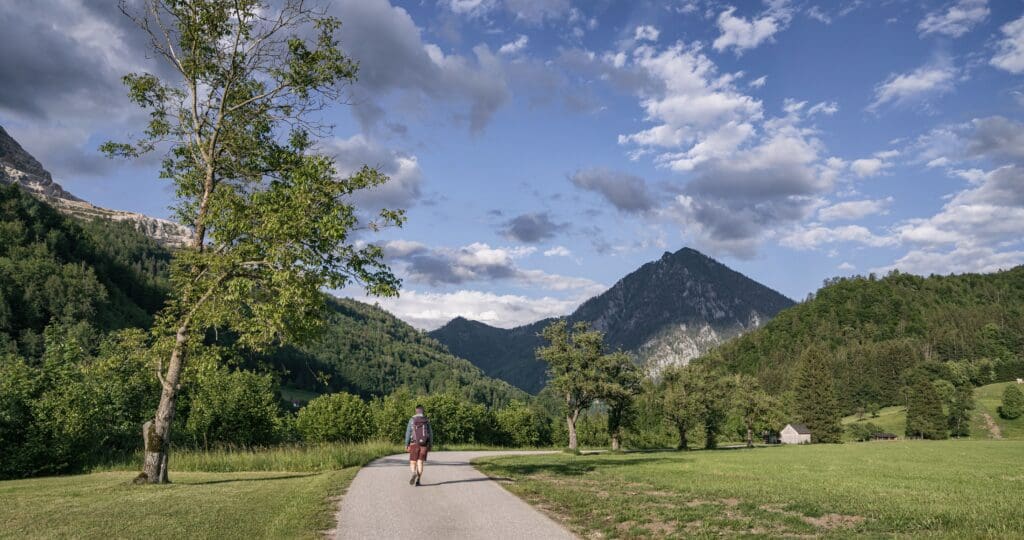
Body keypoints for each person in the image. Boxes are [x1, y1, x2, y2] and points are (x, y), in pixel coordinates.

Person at [404, 405, 432, 486]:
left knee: (413, 462)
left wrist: (406, 444)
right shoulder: (426, 420)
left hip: (414, 443)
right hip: (424, 444)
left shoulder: (412, 420)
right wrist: (430, 444)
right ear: (423, 411)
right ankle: (418, 480)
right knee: (420, 462)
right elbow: (430, 433)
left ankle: (413, 473)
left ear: (416, 411)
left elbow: (408, 433)